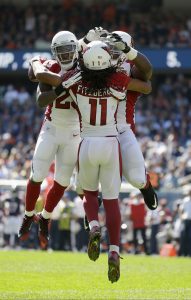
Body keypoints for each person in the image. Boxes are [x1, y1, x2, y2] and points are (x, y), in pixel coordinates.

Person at [61, 41, 151, 282]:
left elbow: (63, 76)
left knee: (89, 194)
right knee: (112, 203)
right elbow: (145, 85)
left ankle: (93, 226)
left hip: (87, 142)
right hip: (111, 143)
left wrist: (83, 45)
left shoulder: (76, 81)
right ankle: (114, 251)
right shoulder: (118, 81)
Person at [18, 31, 81, 250]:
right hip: (52, 127)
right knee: (37, 175)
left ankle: (45, 218)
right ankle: (28, 215)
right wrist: (62, 85)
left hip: (74, 131)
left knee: (63, 181)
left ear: (75, 49)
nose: (65, 55)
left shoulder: (85, 69)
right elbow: (40, 99)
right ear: (54, 52)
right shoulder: (50, 67)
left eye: (68, 50)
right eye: (60, 51)